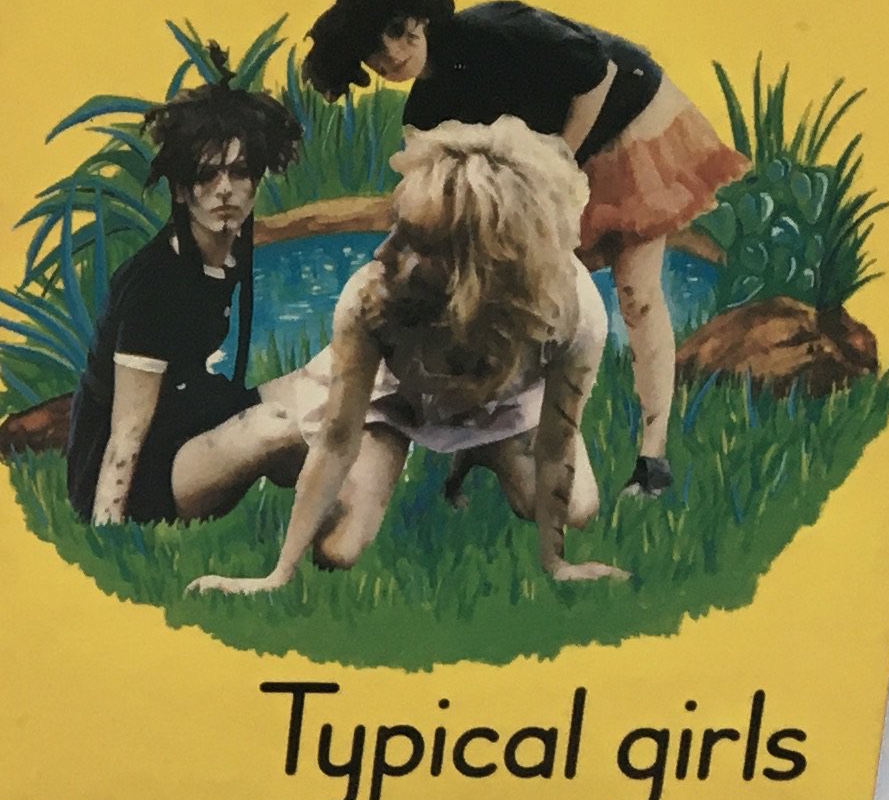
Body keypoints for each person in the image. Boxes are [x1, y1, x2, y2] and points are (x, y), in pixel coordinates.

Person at [305, 0, 750, 497]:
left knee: (636, 291)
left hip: (623, 124)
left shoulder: (496, 29)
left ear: (421, 17)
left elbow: (598, 73)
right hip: (544, 171)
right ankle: (487, 439)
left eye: (401, 31)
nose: (395, 54)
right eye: (376, 53)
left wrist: (561, 161)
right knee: (507, 294)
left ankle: (652, 458)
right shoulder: (424, 113)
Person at [168, 121, 623, 597]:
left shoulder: (571, 311)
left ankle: (483, 448)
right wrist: (279, 575)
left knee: (577, 510)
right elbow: (337, 442)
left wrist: (556, 562)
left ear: (479, 266)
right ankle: (290, 432)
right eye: (395, 229)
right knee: (338, 551)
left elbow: (556, 443)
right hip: (394, 401)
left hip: (503, 403)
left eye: (414, 244)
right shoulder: (372, 294)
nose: (383, 251)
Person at [66, 78, 303, 525]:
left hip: (189, 417)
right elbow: (126, 433)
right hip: (146, 472)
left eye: (239, 172)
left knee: (322, 384)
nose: (225, 189)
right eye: (206, 175)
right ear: (180, 190)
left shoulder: (228, 250)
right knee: (276, 428)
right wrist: (107, 529)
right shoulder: (155, 283)